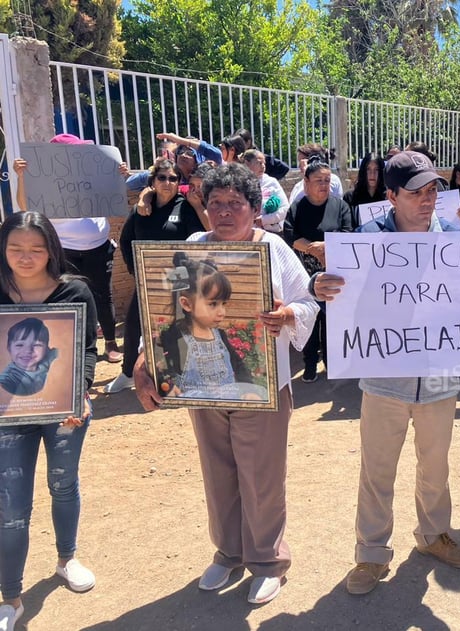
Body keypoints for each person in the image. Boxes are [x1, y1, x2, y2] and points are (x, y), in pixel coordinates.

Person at [312, 151, 460, 596]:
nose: (428, 200)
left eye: (433, 191)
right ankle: (371, 553)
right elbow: (345, 298)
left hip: (441, 374)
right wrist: (323, 288)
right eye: (416, 192)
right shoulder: (363, 240)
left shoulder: (457, 236)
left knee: (435, 464)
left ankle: (433, 535)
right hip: (385, 377)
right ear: (390, 195)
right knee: (377, 470)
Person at [133, 163, 319, 605]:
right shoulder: (195, 246)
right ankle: (228, 552)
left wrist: (288, 316)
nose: (224, 212)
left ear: (255, 209)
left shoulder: (273, 248)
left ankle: (268, 560)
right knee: (218, 470)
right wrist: (145, 354)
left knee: (262, 476)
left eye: (235, 203)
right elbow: (161, 305)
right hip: (205, 385)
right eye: (215, 203)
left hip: (263, 385)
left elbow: (307, 299)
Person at [0, 212, 99, 631]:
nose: (26, 257)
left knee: (63, 484)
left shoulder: (75, 290)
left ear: (52, 251)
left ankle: (66, 558)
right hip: (6, 416)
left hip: (64, 413)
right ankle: (10, 595)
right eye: (16, 248)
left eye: (36, 249)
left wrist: (83, 391)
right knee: (11, 505)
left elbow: (89, 350)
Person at [12, 134, 126, 364]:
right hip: (64, 250)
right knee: (67, 299)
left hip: (98, 247)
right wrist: (22, 177)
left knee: (103, 296)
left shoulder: (92, 176)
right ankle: (71, 348)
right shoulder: (45, 181)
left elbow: (113, 197)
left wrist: (119, 177)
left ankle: (111, 343)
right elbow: (25, 206)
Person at [104, 158, 207, 394]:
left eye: (173, 178)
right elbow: (126, 240)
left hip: (179, 281)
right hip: (147, 280)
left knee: (178, 327)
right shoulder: (141, 209)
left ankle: (179, 376)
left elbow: (198, 241)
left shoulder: (186, 208)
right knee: (133, 325)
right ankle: (128, 373)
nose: (168, 182)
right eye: (162, 177)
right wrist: (135, 270)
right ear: (153, 181)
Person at [157, 254, 267, 400]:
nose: (222, 312)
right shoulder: (173, 337)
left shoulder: (220, 335)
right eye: (213, 304)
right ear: (186, 304)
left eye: (223, 304)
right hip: (198, 405)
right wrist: (168, 386)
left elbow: (238, 364)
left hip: (231, 399)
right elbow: (162, 369)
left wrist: (249, 390)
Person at [284, 156, 353, 382]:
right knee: (310, 319)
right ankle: (310, 363)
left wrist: (326, 245)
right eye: (318, 180)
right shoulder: (298, 206)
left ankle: (332, 364)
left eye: (327, 180)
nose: (324, 185)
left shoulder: (340, 205)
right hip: (305, 273)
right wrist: (311, 249)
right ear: (306, 183)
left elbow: (348, 232)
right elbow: (290, 234)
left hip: (333, 272)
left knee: (331, 320)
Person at [0, 317, 58, 396]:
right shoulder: (8, 380)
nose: (28, 351)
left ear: (46, 349)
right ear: (9, 348)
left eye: (37, 345)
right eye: (19, 345)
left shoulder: (46, 360)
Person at [242, 149, 290, 231]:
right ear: (247, 163)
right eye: (259, 163)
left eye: (264, 163)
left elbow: (285, 208)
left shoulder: (271, 182)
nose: (263, 166)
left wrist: (265, 219)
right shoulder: (238, 183)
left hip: (269, 231)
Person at [343, 152, 386, 229]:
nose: (372, 174)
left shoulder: (389, 197)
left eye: (376, 170)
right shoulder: (350, 197)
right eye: (368, 169)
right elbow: (347, 227)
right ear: (363, 171)